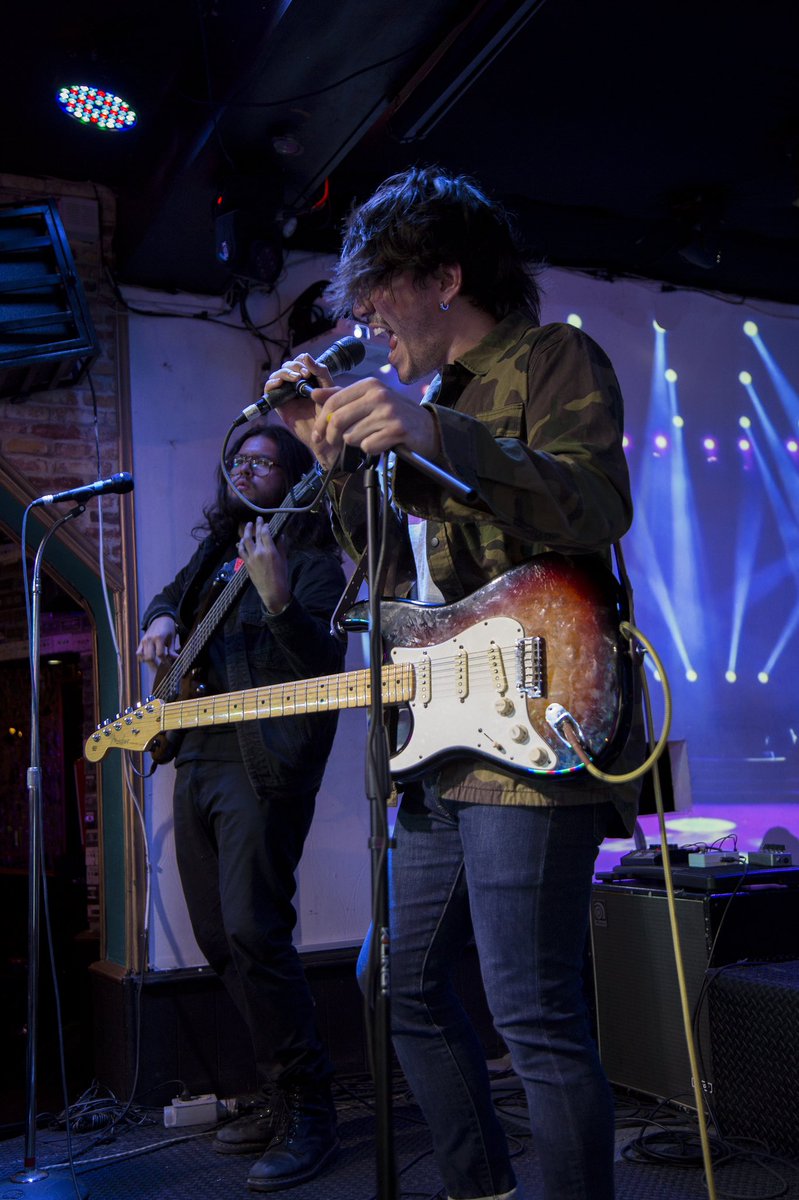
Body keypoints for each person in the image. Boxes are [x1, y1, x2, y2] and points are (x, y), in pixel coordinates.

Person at [266, 166, 642, 1200]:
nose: (363, 323)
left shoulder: (550, 358)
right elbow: (391, 585)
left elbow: (594, 503)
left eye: (374, 296)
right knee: (393, 982)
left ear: (441, 276)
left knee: (530, 1007)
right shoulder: (409, 407)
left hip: (535, 709)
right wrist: (335, 457)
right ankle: (482, 1188)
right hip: (437, 731)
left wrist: (436, 433)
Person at [137, 420, 346, 1192]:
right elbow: (172, 595)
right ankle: (276, 1085)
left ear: (294, 479)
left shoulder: (318, 563)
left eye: (264, 461)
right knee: (219, 936)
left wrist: (280, 598)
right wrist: (161, 617)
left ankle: (310, 1108)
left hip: (263, 763)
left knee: (258, 929)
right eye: (239, 460)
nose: (246, 468)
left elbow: (324, 669)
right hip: (198, 752)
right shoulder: (212, 554)